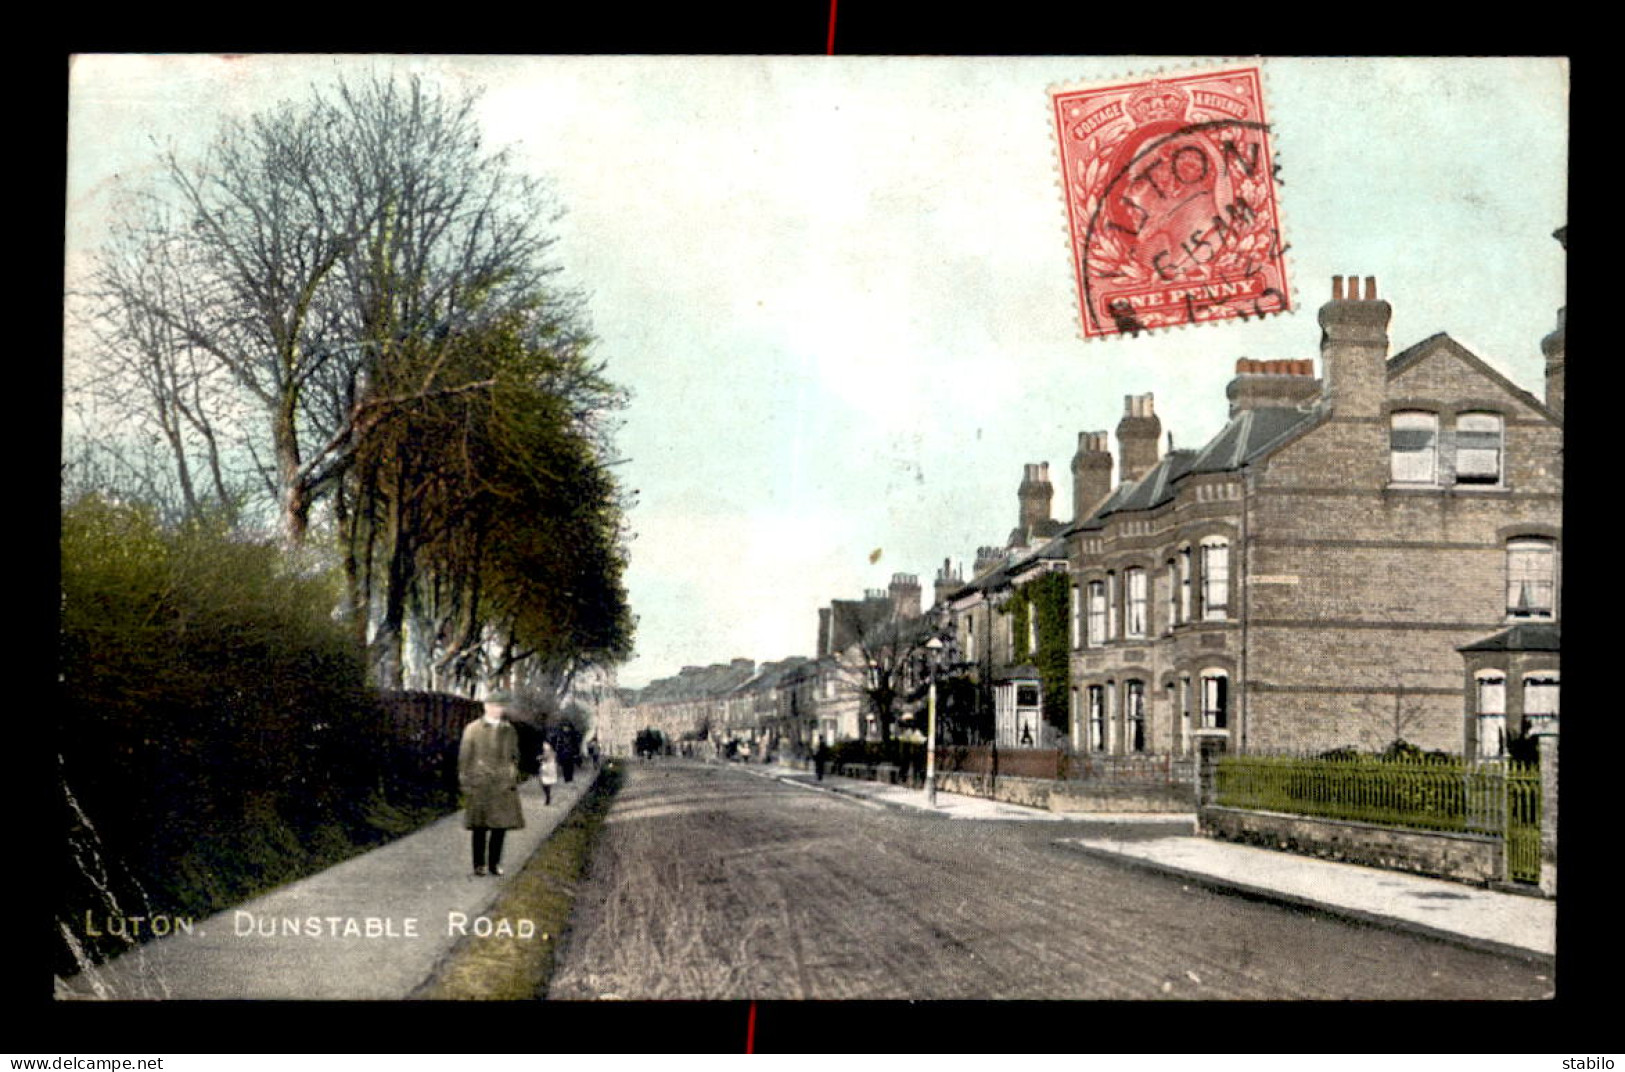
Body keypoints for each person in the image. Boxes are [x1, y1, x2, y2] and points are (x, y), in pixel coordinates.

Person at [459, 693, 525, 877]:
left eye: (501, 706)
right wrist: (466, 783)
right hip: (481, 784)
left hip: (502, 785)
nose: (498, 709)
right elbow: (464, 758)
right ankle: (478, 865)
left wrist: (512, 775)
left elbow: (515, 756)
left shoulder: (509, 730)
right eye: (494, 705)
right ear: (486, 707)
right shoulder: (472, 729)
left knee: (500, 827)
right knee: (479, 827)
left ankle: (494, 864)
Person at [538, 740, 560, 805]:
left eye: (545, 744)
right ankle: (548, 796)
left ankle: (548, 797)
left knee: (544, 782)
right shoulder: (552, 752)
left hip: (547, 768)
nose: (543, 746)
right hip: (550, 768)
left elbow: (546, 757)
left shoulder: (548, 751)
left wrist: (540, 758)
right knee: (546, 783)